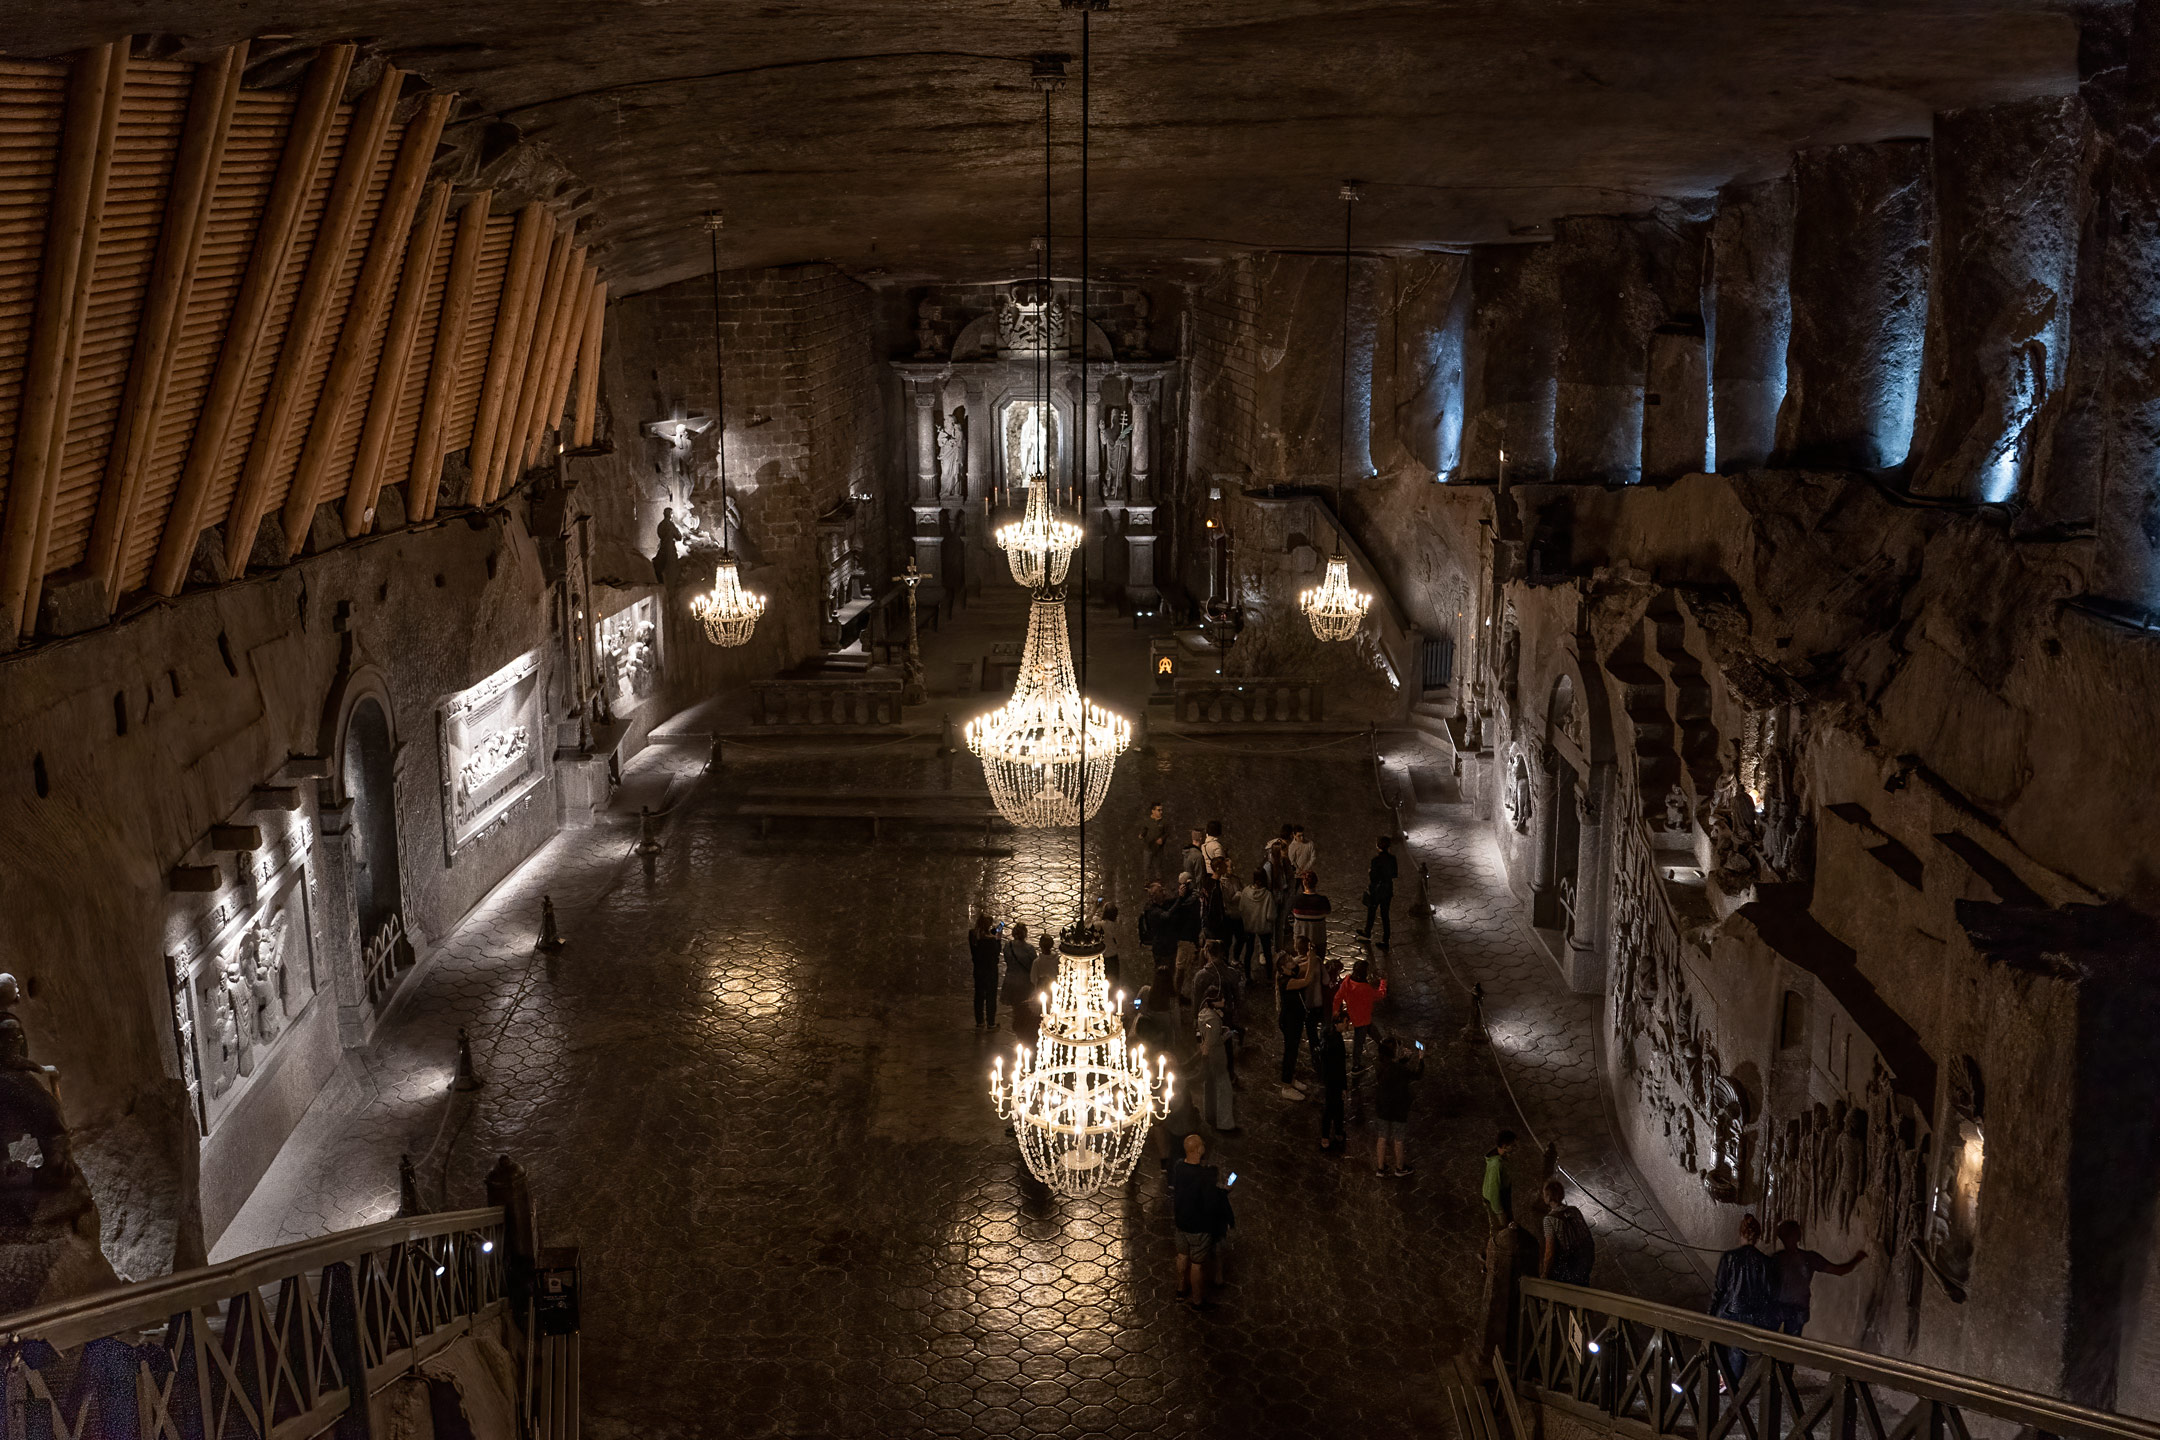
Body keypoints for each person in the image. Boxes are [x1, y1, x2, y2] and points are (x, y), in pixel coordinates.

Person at [1769, 1220, 1865, 1336]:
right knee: (1790, 1347)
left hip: (1780, 1307)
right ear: (1797, 1235)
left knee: (1771, 1342)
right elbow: (1839, 1271)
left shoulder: (1776, 1259)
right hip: (1797, 1309)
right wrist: (1857, 1259)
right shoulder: (1808, 1258)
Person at [1710, 1214, 1774, 1381]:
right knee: (1738, 1352)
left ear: (1740, 1233)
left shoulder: (1729, 1257)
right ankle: (1730, 1387)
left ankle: (1721, 1383)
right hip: (1749, 1314)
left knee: (1720, 1347)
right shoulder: (1765, 1262)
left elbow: (1719, 1288)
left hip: (1727, 1311)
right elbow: (1767, 1292)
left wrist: (1710, 1312)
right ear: (1758, 1236)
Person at [1171, 1133, 1227, 1307]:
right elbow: (1211, 1202)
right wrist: (1225, 1191)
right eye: (1202, 1144)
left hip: (1181, 1222)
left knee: (1182, 1255)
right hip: (1199, 1226)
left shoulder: (1179, 1167)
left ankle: (1180, 1289)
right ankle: (1197, 1300)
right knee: (1197, 1264)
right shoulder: (1206, 1175)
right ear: (1198, 1149)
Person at [1372, 1034, 1423, 1177]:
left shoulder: (1379, 1065)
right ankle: (1400, 1168)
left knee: (1382, 1136)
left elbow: (1393, 1067)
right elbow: (1417, 1074)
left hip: (1383, 1106)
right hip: (1398, 1108)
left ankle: (1380, 1168)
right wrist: (1421, 1058)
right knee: (1398, 1139)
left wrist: (1403, 1059)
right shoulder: (1400, 1070)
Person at [1332, 957, 1389, 1081]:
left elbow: (1337, 997)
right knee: (1359, 1042)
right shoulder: (1365, 988)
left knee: (1373, 1032)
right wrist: (1383, 982)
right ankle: (1356, 1066)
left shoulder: (1347, 981)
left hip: (1355, 1016)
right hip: (1363, 1019)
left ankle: (1384, 1046)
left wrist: (1336, 1011)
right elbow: (1380, 994)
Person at [1276, 937, 1315, 1098]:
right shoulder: (1285, 981)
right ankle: (1286, 1086)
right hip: (1289, 1020)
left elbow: (1302, 966)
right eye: (1289, 961)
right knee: (1290, 1052)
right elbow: (1307, 980)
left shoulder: (1291, 970)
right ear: (1283, 968)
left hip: (1296, 1018)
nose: (1293, 962)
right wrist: (1312, 958)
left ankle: (1291, 1078)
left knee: (1294, 1050)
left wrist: (1309, 957)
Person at [1195, 984, 1236, 1133]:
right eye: (1220, 999)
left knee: (1209, 1086)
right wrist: (1227, 1034)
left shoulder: (1204, 1013)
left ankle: (1209, 1114)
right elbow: (1213, 1041)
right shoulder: (1213, 1019)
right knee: (1223, 1089)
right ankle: (1224, 1122)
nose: (1224, 1000)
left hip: (1209, 1056)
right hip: (1216, 1056)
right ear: (1213, 1001)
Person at [1539, 1177, 1595, 1283]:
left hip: (1568, 1267)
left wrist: (1545, 1272)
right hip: (1584, 1262)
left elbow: (1549, 1251)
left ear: (1549, 1197)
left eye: (1544, 1194)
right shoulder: (1574, 1210)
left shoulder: (1549, 1220)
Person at [1357, 835, 1400, 949]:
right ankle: (1385, 940)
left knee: (1371, 912)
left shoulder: (1375, 860)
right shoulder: (1392, 859)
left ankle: (1367, 932)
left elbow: (1373, 877)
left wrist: (1370, 871)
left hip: (1376, 890)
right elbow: (1394, 874)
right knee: (1385, 915)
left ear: (1378, 846)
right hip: (1387, 890)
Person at [1317, 1013, 1350, 1152]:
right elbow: (1340, 1066)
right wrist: (1344, 1086)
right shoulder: (1337, 1042)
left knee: (1333, 1106)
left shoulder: (1328, 1036)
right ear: (1338, 1024)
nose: (1347, 1025)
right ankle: (1330, 1134)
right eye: (1345, 1022)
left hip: (1329, 1078)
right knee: (1333, 1107)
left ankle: (1336, 1132)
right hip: (1335, 1080)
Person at [1236, 867, 1275, 978]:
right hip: (1263, 928)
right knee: (1267, 952)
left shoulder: (1245, 892)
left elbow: (1241, 908)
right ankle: (1269, 978)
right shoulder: (1268, 895)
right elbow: (1270, 916)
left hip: (1249, 927)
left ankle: (1248, 977)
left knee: (1249, 952)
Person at [968, 913, 1001, 1028]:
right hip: (990, 971)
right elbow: (996, 952)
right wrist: (998, 939)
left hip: (978, 970)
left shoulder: (973, 935)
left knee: (979, 996)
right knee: (991, 996)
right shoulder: (991, 940)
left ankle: (979, 1021)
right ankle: (991, 1022)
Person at [1290, 869, 1332, 961]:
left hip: (1301, 941)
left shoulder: (1296, 900)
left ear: (1304, 883)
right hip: (1318, 938)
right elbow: (1328, 911)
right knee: (1318, 963)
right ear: (1316, 883)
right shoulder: (1322, 900)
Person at [1482, 1130, 1518, 1229]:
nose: (1515, 1148)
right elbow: (1494, 1190)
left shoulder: (1500, 1157)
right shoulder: (1497, 1164)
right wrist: (1500, 1212)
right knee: (1504, 1229)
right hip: (1496, 1201)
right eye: (1513, 1145)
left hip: (1502, 1196)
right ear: (1504, 1146)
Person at [1139, 801, 1169, 885]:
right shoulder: (1148, 820)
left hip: (1158, 849)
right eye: (1158, 810)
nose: (1161, 812)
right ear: (1153, 811)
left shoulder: (1164, 822)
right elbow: (1145, 829)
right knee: (1146, 865)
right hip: (1148, 847)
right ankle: (1147, 881)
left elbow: (1167, 833)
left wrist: (1162, 839)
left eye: (1161, 810)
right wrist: (1142, 834)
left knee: (1157, 865)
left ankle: (1158, 880)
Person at [653, 507, 683, 584]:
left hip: (662, 547)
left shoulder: (661, 524)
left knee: (659, 566)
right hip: (670, 548)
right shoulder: (671, 525)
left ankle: (660, 582)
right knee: (674, 568)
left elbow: (660, 534)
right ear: (671, 515)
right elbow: (679, 537)